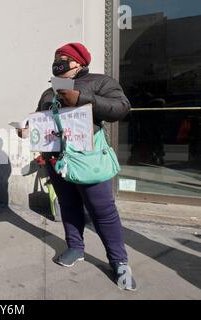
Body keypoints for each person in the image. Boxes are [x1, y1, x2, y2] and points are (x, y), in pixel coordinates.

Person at [19, 43, 136, 291]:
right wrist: (27, 128)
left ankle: (119, 261)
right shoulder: (49, 91)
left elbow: (120, 107)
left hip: (87, 160)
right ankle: (75, 247)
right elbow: (40, 118)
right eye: (55, 59)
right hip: (56, 160)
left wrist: (83, 99)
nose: (58, 63)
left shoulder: (99, 82)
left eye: (64, 59)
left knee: (102, 211)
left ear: (79, 63)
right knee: (68, 205)